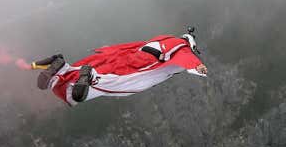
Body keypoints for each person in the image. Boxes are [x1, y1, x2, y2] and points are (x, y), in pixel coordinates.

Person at [32, 29, 207, 106]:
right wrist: (198, 66)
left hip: (132, 53)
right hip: (145, 63)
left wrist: (111, 50)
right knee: (123, 83)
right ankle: (90, 78)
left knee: (109, 66)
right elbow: (185, 58)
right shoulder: (182, 48)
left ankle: (62, 68)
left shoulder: (165, 37)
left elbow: (139, 44)